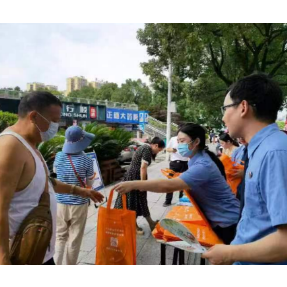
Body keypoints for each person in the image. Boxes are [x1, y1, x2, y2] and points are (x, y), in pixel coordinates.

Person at [0, 92, 104, 266]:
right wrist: (3, 258)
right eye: (53, 120)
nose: (56, 126)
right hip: (21, 253)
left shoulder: (30, 144)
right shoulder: (10, 147)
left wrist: (80, 191)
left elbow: (45, 182)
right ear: (33, 116)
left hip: (39, 250)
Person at [203, 74, 287, 265]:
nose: (223, 117)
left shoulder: (274, 153)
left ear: (243, 107)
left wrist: (230, 254)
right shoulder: (259, 149)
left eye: (225, 108)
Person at [115, 124, 240, 245]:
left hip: (227, 221)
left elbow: (168, 186)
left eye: (182, 141)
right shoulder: (198, 158)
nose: (179, 145)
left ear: (196, 142)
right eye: (178, 141)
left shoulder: (202, 165)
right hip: (221, 218)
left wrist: (134, 184)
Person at [54, 126, 96, 265]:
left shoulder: (59, 156)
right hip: (79, 204)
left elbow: (56, 175)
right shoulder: (87, 160)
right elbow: (90, 183)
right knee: (74, 238)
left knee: (60, 237)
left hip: (60, 202)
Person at [114, 137, 165, 235]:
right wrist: (142, 184)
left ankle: (151, 222)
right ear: (155, 145)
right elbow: (143, 167)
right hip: (134, 177)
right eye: (158, 150)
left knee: (141, 200)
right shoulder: (147, 149)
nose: (158, 152)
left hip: (135, 176)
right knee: (132, 201)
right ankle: (133, 225)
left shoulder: (145, 148)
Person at [163, 135, 189, 207]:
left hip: (184, 163)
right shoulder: (173, 139)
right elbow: (167, 149)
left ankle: (181, 200)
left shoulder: (188, 139)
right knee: (170, 182)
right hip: (174, 163)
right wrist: (173, 150)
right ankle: (168, 201)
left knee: (183, 183)